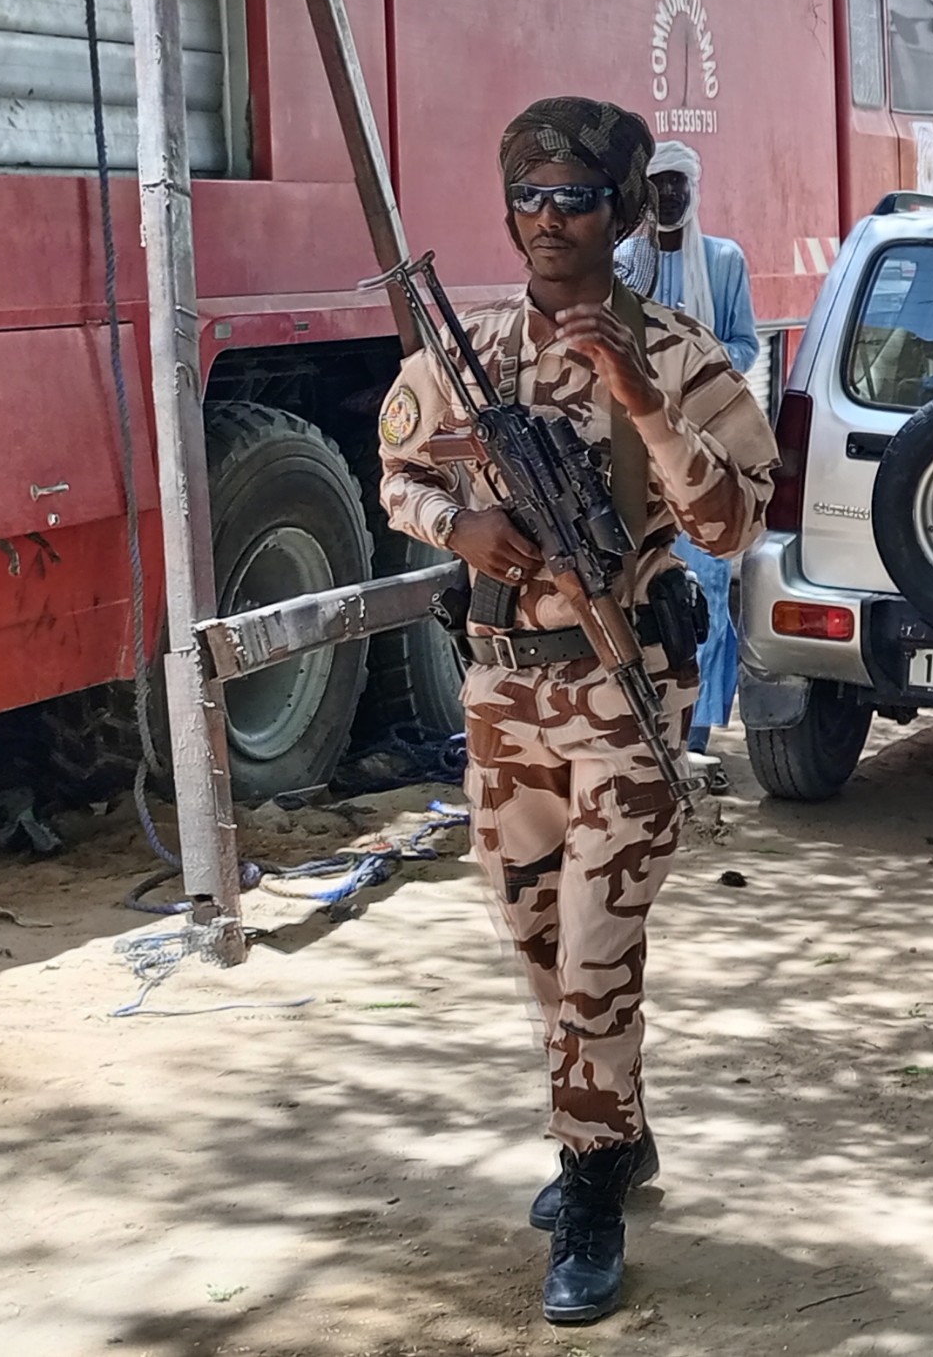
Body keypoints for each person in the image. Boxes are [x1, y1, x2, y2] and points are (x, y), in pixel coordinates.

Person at [378, 98, 776, 1326]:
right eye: (532, 200)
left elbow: (732, 524)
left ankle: (589, 1180)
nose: (553, 221)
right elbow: (394, 472)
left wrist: (639, 398)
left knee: (601, 942)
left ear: (624, 213)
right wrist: (465, 527)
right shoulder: (466, 348)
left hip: (624, 690)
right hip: (503, 689)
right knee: (539, 942)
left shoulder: (682, 354)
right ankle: (617, 1125)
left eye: (578, 200)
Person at [615, 140, 762, 764]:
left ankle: (697, 728)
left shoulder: (724, 260)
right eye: (659, 185)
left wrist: (691, 376)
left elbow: (745, 344)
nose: (669, 195)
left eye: (678, 184)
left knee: (705, 584)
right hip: (636, 445)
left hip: (702, 441)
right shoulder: (624, 261)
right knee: (641, 579)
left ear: (692, 189)